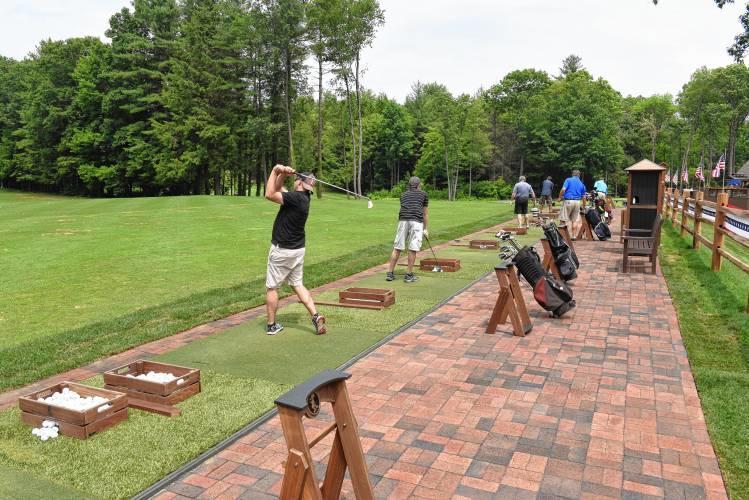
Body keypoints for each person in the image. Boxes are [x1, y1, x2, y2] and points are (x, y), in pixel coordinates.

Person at [264, 164, 327, 335]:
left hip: (282, 250)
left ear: (299, 182)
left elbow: (269, 194)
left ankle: (271, 325)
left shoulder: (296, 198)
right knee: (297, 284)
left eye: (296, 180)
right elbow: (278, 189)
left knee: (272, 287)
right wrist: (283, 174)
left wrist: (275, 171)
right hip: (297, 251)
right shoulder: (303, 198)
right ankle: (315, 315)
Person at [386, 176, 429, 283]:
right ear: (418, 185)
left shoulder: (403, 195)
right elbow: (425, 214)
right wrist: (425, 229)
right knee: (413, 248)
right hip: (416, 222)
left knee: (397, 247)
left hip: (403, 220)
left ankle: (390, 273)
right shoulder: (424, 194)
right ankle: (408, 275)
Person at [558, 169, 586, 238]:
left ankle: (563, 236)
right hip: (577, 202)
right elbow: (584, 196)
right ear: (579, 175)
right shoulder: (582, 184)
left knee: (563, 219)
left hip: (568, 201)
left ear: (572, 174)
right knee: (575, 220)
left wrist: (559, 197)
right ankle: (573, 236)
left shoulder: (568, 180)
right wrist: (584, 206)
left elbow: (563, 189)